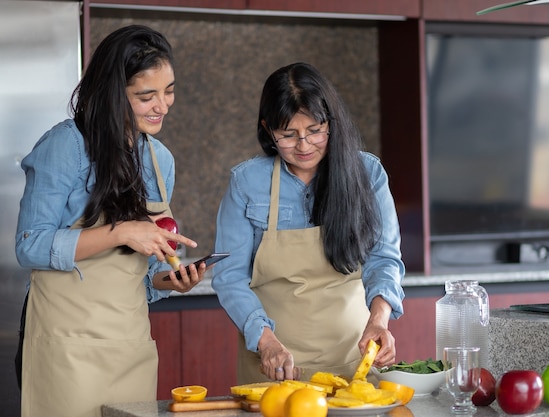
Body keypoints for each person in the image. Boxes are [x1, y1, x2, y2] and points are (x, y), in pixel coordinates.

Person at [14, 25, 207, 417]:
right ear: (112, 92)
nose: (162, 105)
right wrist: (120, 230)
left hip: (130, 345)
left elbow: (140, 273)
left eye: (168, 90)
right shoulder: (64, 146)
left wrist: (167, 280)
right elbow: (29, 245)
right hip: (67, 350)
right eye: (145, 96)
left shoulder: (160, 160)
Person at [212, 62, 405, 383]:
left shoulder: (367, 173)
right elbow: (230, 278)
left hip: (352, 359)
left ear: (332, 122)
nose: (303, 146)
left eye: (315, 131)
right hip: (273, 365)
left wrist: (380, 320)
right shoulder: (247, 182)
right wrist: (266, 342)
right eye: (288, 135)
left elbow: (384, 258)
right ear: (268, 129)